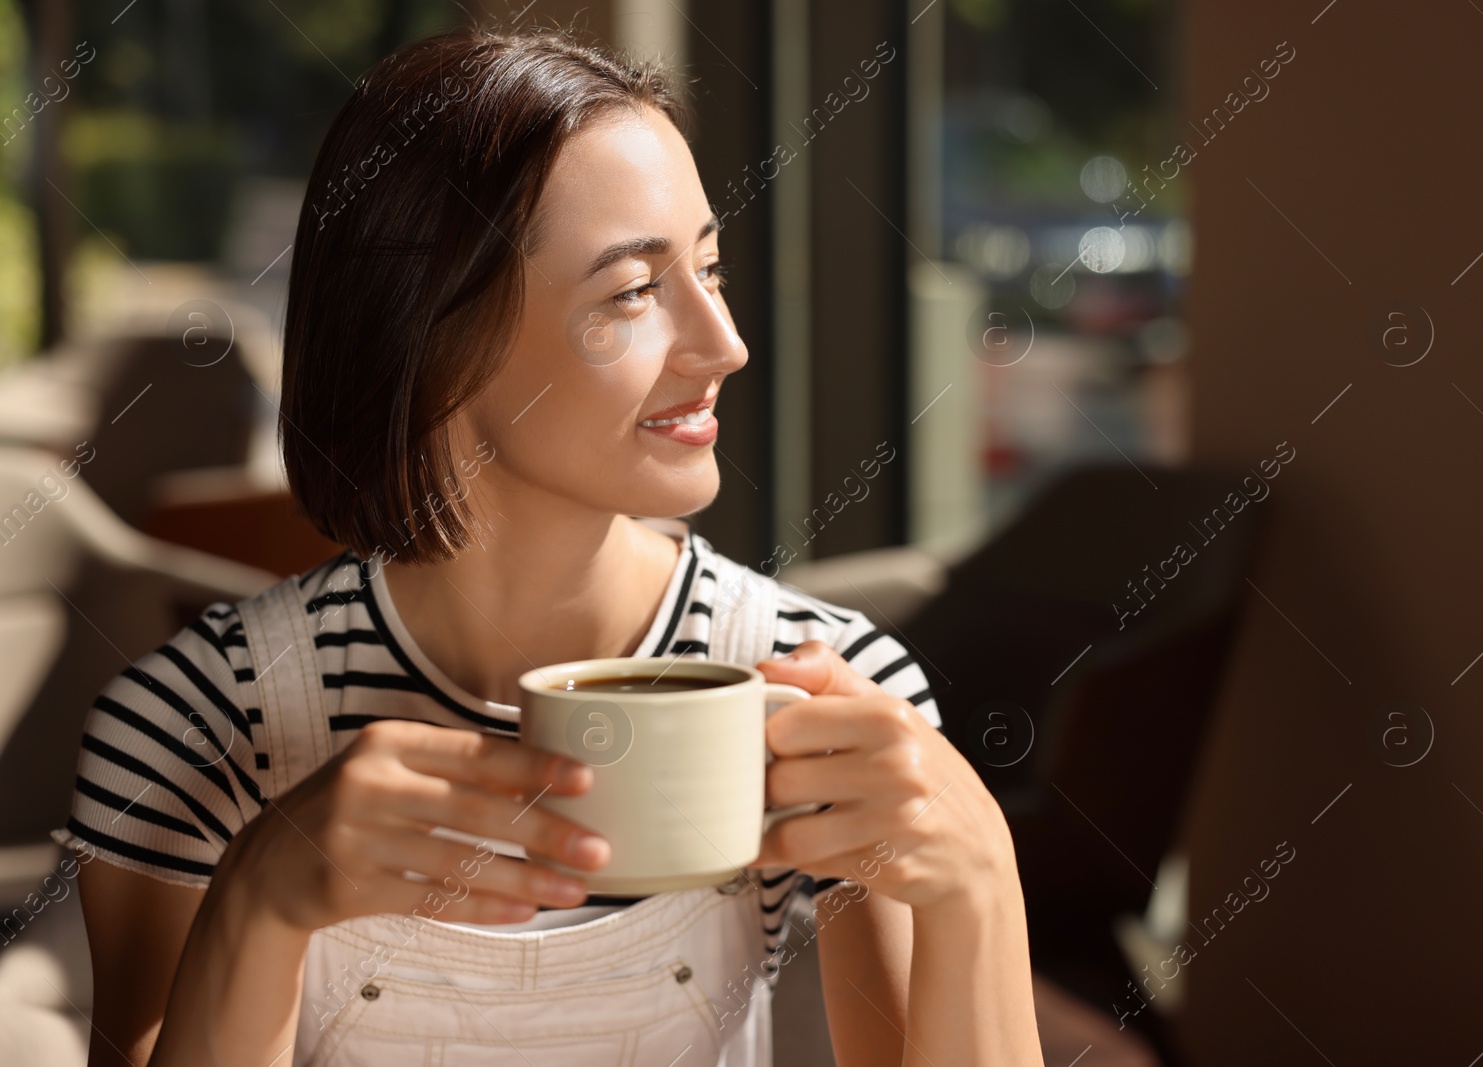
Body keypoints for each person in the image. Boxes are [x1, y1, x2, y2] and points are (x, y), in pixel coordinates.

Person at [56, 23, 1044, 1067]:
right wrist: (259, 896)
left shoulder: (828, 690)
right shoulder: (194, 725)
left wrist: (980, 878)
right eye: (632, 291)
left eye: (708, 268)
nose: (724, 344)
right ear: (432, 338)